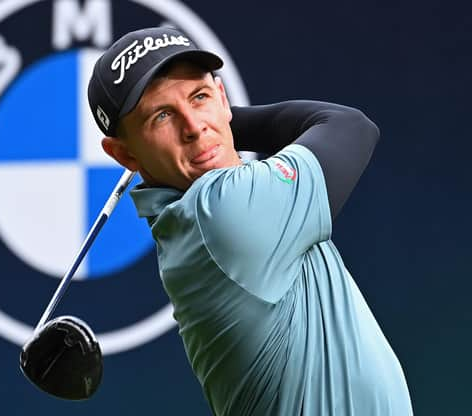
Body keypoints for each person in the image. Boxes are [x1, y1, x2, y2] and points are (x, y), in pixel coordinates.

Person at [87, 27, 413, 415]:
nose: (192, 127)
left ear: (223, 97)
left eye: (200, 97)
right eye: (162, 116)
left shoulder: (196, 216)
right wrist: (222, 122)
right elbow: (349, 127)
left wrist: (215, 124)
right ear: (124, 155)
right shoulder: (220, 212)